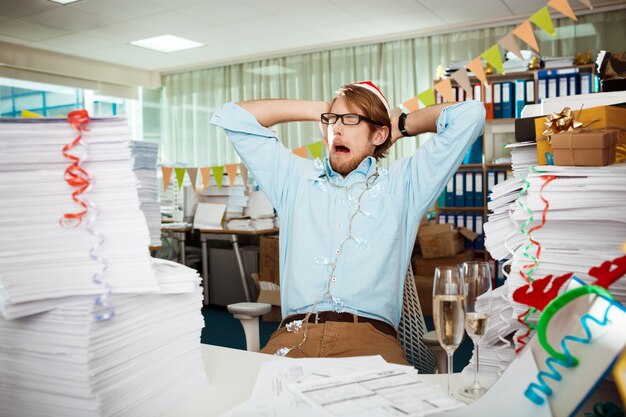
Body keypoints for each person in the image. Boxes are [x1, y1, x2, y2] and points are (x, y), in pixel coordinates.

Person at [210, 81, 485, 365]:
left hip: (370, 340)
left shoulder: (404, 185)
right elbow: (233, 116)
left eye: (352, 120)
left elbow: (471, 115)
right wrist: (316, 109)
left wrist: (402, 124)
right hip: (293, 337)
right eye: (333, 120)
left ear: (379, 134)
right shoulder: (294, 179)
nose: (337, 129)